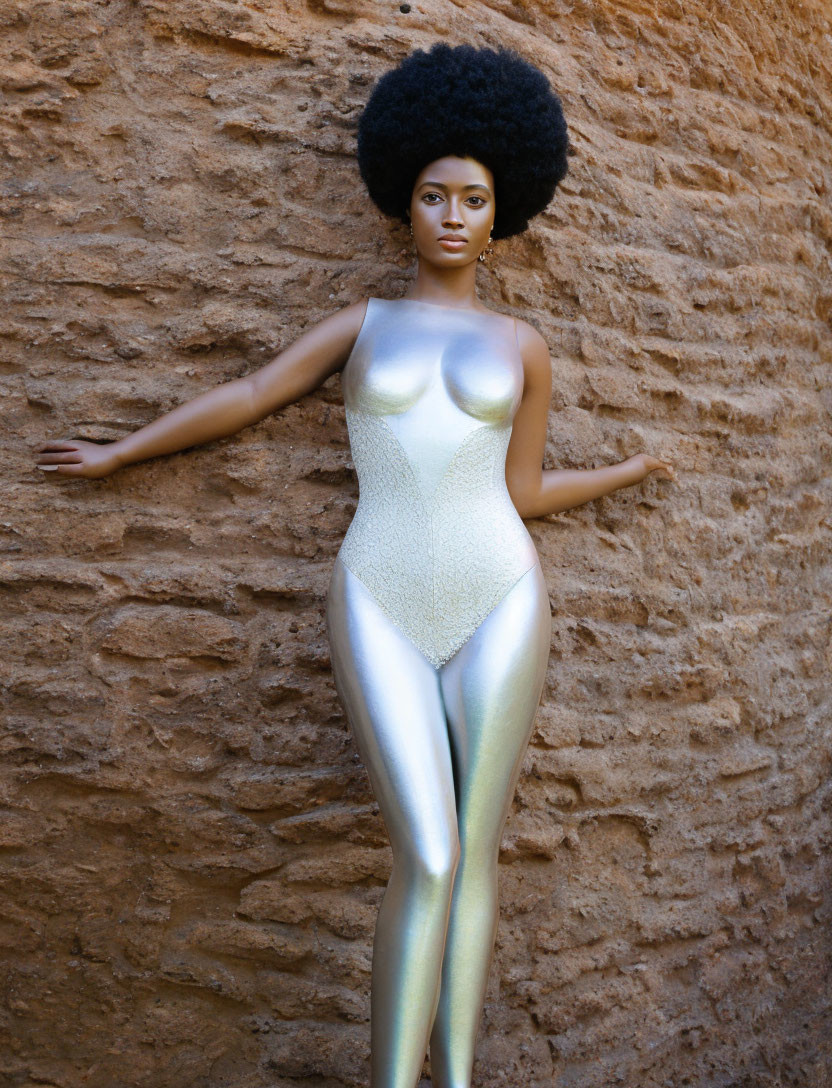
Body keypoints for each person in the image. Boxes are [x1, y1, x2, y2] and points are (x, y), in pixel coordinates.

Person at [35, 42, 674, 1088]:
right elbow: (249, 394)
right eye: (434, 194)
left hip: (501, 594)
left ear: (501, 209)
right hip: (377, 589)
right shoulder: (362, 326)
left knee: (474, 854)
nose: (454, 215)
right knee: (424, 852)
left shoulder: (523, 345)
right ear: (403, 199)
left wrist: (625, 467)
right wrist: (119, 449)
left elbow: (518, 492)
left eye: (474, 197)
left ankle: (455, 1076)